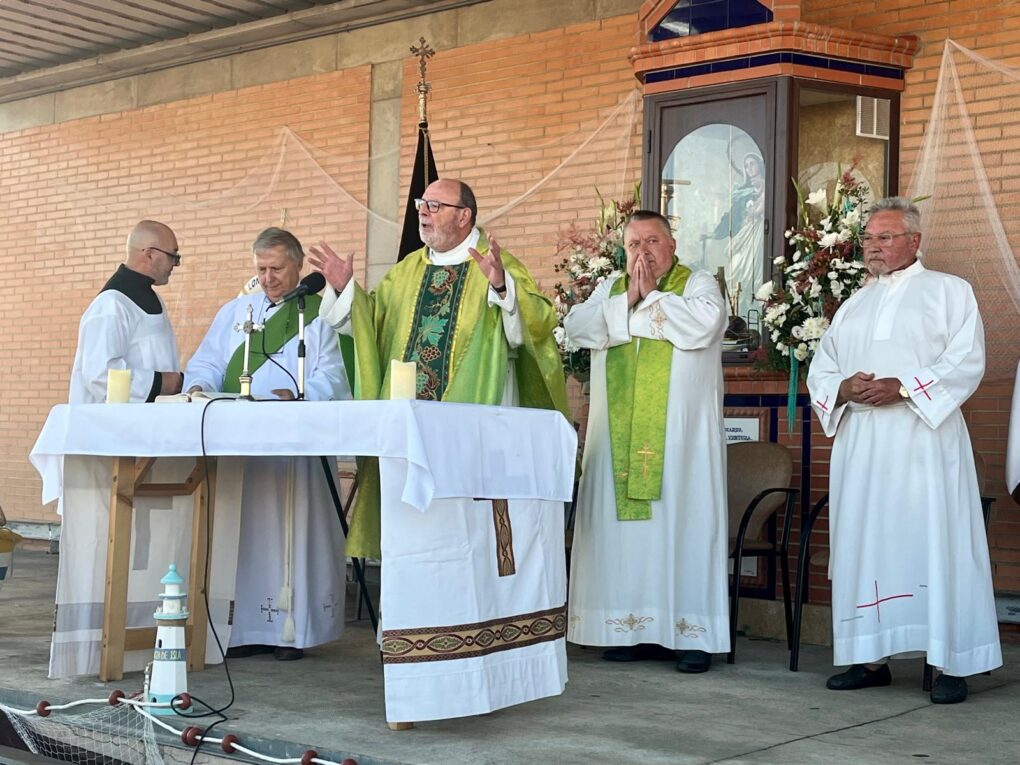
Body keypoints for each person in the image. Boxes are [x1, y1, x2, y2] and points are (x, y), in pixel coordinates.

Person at [309, 177, 569, 559]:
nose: (423, 212)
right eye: (421, 204)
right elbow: (371, 325)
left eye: (435, 205)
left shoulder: (496, 263)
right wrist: (347, 289)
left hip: (477, 413)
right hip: (409, 425)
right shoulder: (407, 271)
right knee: (413, 531)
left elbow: (537, 325)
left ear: (464, 216)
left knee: (467, 528)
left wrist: (502, 288)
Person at [807, 197, 1002, 704]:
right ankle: (871, 659)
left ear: (914, 241)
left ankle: (950, 662)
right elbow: (823, 366)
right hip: (863, 446)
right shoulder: (854, 304)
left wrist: (906, 387)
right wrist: (842, 388)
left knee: (936, 543)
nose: (873, 247)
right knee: (867, 543)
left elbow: (967, 359)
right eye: (868, 238)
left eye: (885, 237)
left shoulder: (949, 292)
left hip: (925, 443)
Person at [565, 209, 730, 674]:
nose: (643, 252)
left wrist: (644, 302)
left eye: (652, 241)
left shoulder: (697, 283)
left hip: (680, 445)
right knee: (627, 537)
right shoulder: (611, 289)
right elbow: (576, 328)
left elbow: (704, 325)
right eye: (634, 244)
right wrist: (628, 302)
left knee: (684, 527)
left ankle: (691, 637)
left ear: (672, 245)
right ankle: (630, 629)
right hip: (619, 442)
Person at [184, 227, 351, 661]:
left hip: (295, 445)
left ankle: (291, 633)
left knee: (290, 535)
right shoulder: (236, 310)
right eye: (261, 269)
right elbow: (207, 360)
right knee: (243, 535)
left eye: (276, 268)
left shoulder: (321, 314)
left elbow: (335, 374)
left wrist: (300, 394)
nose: (268, 278)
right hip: (240, 445)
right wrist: (199, 384)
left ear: (298, 266)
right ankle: (244, 629)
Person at [69, 220, 184, 403]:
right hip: (111, 419)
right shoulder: (111, 304)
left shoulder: (154, 299)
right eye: (173, 256)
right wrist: (160, 383)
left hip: (149, 415)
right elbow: (100, 375)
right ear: (150, 254)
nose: (176, 264)